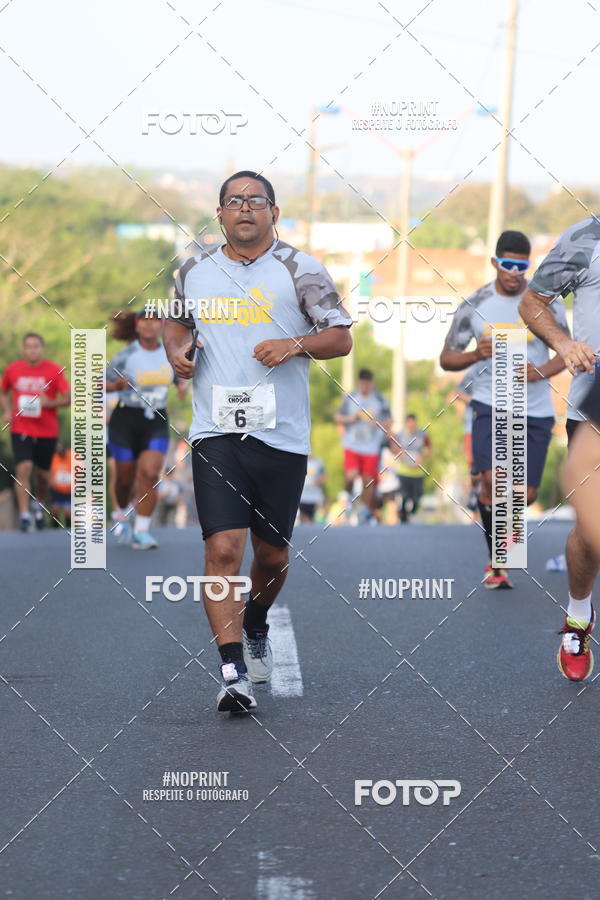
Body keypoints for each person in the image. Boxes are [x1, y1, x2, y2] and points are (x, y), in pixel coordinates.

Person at [164, 170, 352, 714]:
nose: (245, 209)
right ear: (219, 213)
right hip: (216, 431)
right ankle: (231, 671)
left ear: (274, 212)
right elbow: (176, 324)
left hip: (281, 434)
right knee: (223, 550)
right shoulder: (194, 269)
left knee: (271, 555)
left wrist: (294, 344)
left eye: (256, 201)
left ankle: (256, 620)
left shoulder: (301, 269)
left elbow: (339, 337)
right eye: (234, 201)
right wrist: (175, 352)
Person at [440, 230, 567, 589]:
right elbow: (447, 358)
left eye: (521, 266)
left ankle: (503, 550)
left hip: (536, 409)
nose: (514, 272)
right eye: (507, 264)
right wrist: (475, 354)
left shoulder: (547, 303)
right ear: (495, 263)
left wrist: (540, 371)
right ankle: (498, 561)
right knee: (492, 482)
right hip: (490, 403)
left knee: (523, 495)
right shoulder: (475, 303)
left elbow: (567, 351)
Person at [519, 216, 600, 680]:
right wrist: (564, 343)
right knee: (590, 531)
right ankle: (578, 616)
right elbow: (532, 302)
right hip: (594, 400)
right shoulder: (585, 238)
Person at [106, 309, 186, 549]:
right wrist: (116, 385)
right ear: (137, 326)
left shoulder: (170, 353)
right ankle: (121, 511)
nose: (150, 325)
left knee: (150, 473)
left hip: (156, 419)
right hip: (125, 419)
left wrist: (182, 385)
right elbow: (100, 382)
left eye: (155, 320)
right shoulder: (126, 355)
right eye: (145, 321)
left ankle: (142, 530)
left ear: (162, 325)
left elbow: (180, 376)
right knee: (124, 478)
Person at [0, 333, 70, 532]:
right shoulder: (13, 370)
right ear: (23, 349)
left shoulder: (54, 370)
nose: (32, 350)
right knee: (24, 468)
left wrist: (50, 403)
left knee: (43, 475)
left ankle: (38, 506)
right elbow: (2, 390)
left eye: (36, 346)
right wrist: (6, 410)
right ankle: (24, 515)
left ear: (42, 348)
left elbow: (69, 397)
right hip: (21, 427)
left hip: (47, 430)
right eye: (28, 346)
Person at [334, 368, 391, 524]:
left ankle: (365, 511)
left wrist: (379, 423)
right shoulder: (351, 397)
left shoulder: (380, 399)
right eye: (362, 383)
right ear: (359, 383)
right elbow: (337, 417)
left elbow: (389, 420)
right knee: (350, 475)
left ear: (371, 383)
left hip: (371, 446)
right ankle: (348, 497)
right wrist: (351, 420)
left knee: (368, 480)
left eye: (368, 384)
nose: (365, 386)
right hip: (352, 444)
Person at [390, 413, 431, 523]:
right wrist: (400, 454)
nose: (411, 425)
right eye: (409, 423)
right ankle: (403, 516)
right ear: (406, 423)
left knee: (417, 496)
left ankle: (412, 511)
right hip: (404, 471)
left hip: (418, 471)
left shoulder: (422, 434)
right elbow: (393, 448)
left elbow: (428, 447)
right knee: (404, 494)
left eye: (413, 423)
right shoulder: (399, 435)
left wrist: (422, 456)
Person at [49, 441, 72, 527]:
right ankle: (54, 528)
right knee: (55, 510)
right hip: (56, 490)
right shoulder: (54, 458)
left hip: (69, 490)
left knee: (68, 511)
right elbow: (50, 473)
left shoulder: (72, 456)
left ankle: (69, 528)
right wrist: (51, 482)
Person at [299, 456, 326, 523]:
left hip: (314, 497)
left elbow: (325, 475)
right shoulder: (299, 461)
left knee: (314, 519)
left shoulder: (318, 462)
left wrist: (315, 483)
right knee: (303, 518)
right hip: (302, 496)